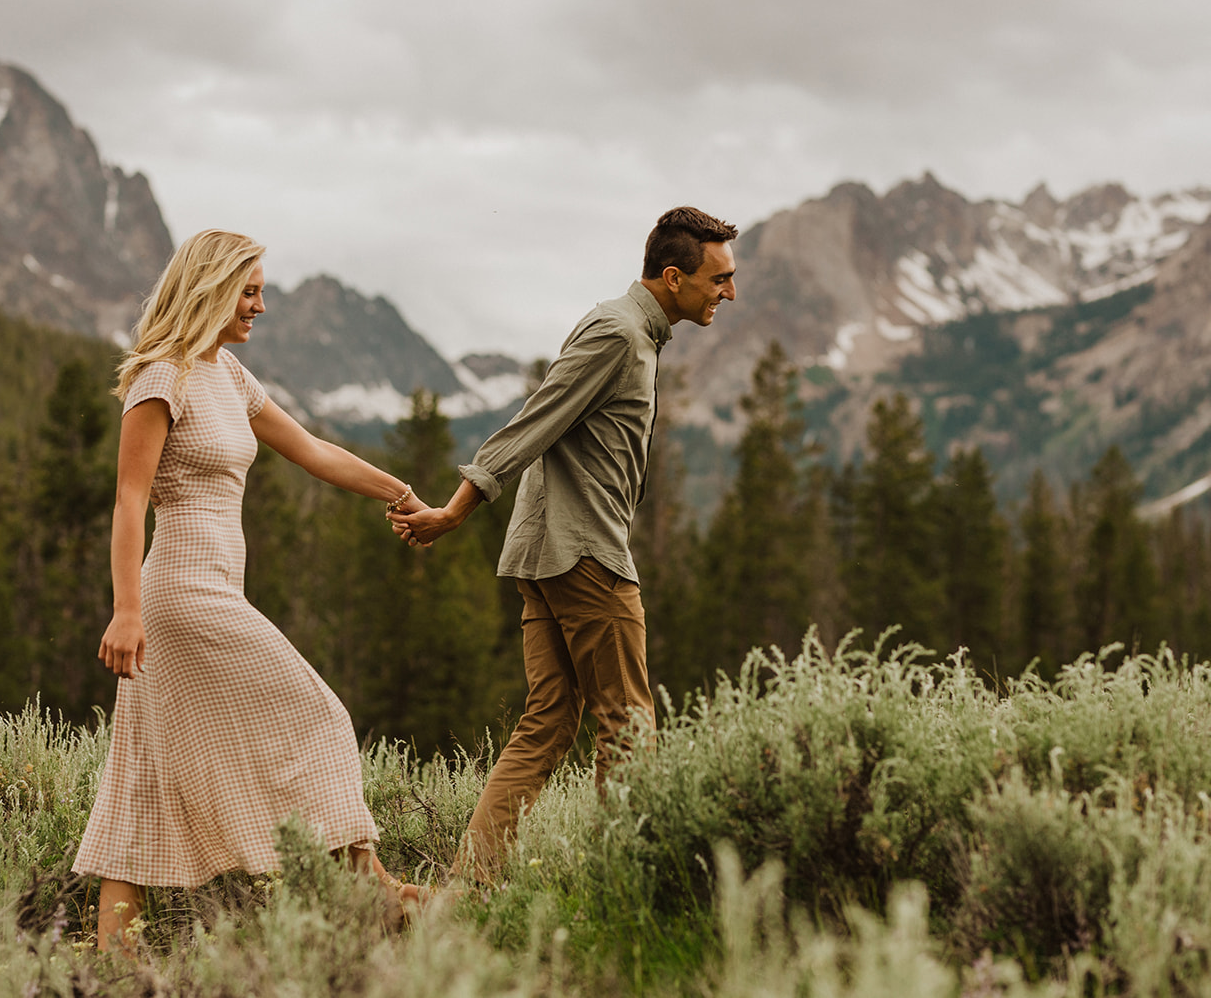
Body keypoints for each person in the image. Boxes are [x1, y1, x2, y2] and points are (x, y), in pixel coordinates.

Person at [74, 229, 429, 950]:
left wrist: (401, 491)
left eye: (261, 290)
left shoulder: (229, 377)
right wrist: (127, 610)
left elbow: (312, 450)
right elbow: (127, 502)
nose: (260, 305)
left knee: (144, 775)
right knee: (319, 715)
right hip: (179, 597)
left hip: (215, 590)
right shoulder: (160, 377)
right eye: (249, 290)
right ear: (209, 288)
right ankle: (383, 897)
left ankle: (111, 958)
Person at [388, 206, 739, 881]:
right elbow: (536, 419)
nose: (729, 292)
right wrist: (458, 508)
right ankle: (624, 889)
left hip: (550, 552)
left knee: (547, 725)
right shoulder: (617, 332)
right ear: (674, 277)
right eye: (720, 278)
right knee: (630, 726)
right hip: (585, 555)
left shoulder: (635, 333)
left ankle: (463, 893)